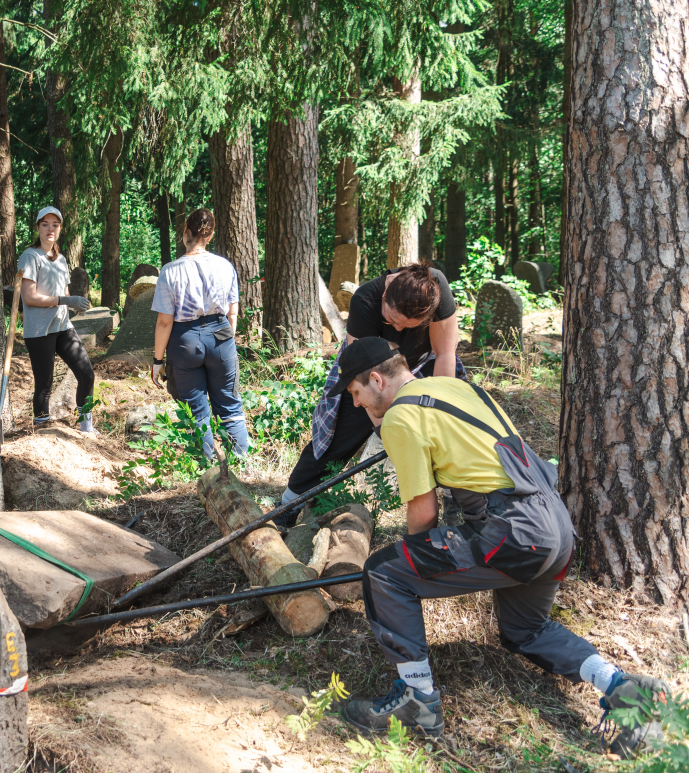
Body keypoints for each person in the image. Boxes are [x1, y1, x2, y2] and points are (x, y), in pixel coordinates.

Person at [331, 337, 669, 755]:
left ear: (377, 380)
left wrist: (419, 569)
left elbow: (423, 511)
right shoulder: (454, 385)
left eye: (357, 394)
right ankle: (621, 687)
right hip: (554, 525)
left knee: (384, 572)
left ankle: (418, 701)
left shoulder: (402, 416)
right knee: (525, 630)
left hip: (515, 532)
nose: (359, 405)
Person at [281, 262, 461, 513]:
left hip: (425, 362)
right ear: (385, 297)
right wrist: (385, 432)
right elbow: (364, 372)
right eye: (392, 321)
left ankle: (458, 498)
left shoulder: (435, 289)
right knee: (341, 432)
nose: (398, 330)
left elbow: (445, 353)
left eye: (409, 326)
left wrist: (440, 410)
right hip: (367, 368)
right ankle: (290, 504)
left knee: (452, 426)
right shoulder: (365, 300)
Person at [150, 208, 249, 458]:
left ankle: (205, 464)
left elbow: (164, 322)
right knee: (228, 402)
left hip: (185, 340)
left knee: (195, 408)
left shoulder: (170, 271)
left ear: (186, 231)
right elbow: (233, 313)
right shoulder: (226, 267)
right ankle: (240, 461)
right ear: (211, 234)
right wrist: (226, 343)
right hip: (221, 335)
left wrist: (157, 360)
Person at [18, 206, 96, 433]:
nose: (50, 229)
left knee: (86, 373)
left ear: (60, 228)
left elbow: (63, 292)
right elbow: (29, 297)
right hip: (39, 330)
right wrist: (64, 299)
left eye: (55, 225)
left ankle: (86, 426)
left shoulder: (61, 258)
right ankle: (42, 429)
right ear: (38, 228)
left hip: (63, 326)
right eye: (45, 224)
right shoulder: (30, 256)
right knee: (44, 385)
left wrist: (74, 304)